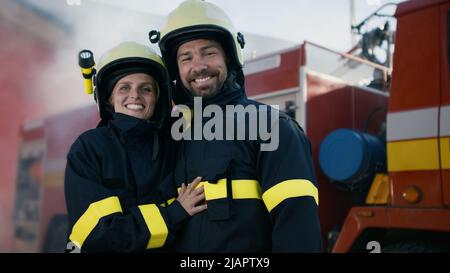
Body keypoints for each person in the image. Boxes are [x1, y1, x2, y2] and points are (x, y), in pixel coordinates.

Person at [150, 0, 322, 252]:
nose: (198, 65)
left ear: (229, 58)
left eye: (209, 52)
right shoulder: (173, 137)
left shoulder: (271, 126)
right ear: (176, 70)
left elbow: (297, 230)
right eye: (186, 57)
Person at [64, 41, 207, 252]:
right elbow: (100, 234)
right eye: (124, 87)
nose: (135, 95)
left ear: (158, 98)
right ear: (109, 97)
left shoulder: (175, 144)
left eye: (146, 89)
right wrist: (174, 213)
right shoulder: (89, 148)